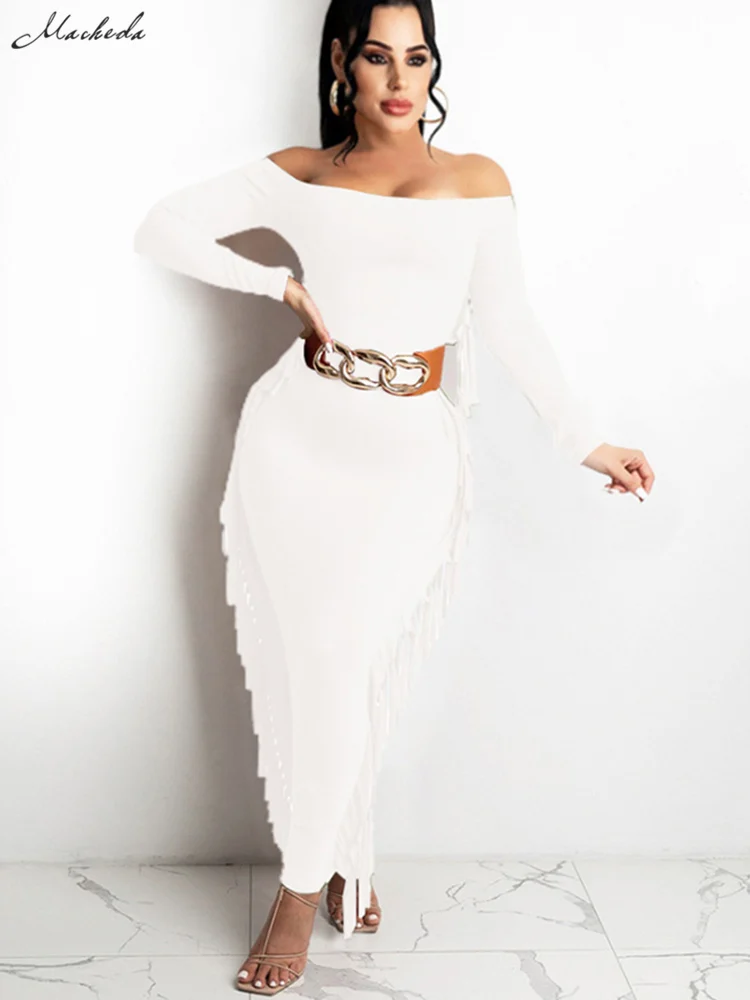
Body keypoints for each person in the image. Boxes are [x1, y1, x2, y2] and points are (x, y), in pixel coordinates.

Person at [132, 1, 655, 994]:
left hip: (410, 453)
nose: (400, 78)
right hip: (295, 439)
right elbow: (161, 227)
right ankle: (322, 869)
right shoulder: (302, 174)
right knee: (319, 662)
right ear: (342, 62)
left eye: (418, 57)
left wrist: (583, 439)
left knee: (346, 656)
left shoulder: (477, 183)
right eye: (378, 56)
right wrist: (279, 288)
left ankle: (320, 867)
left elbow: (509, 320)